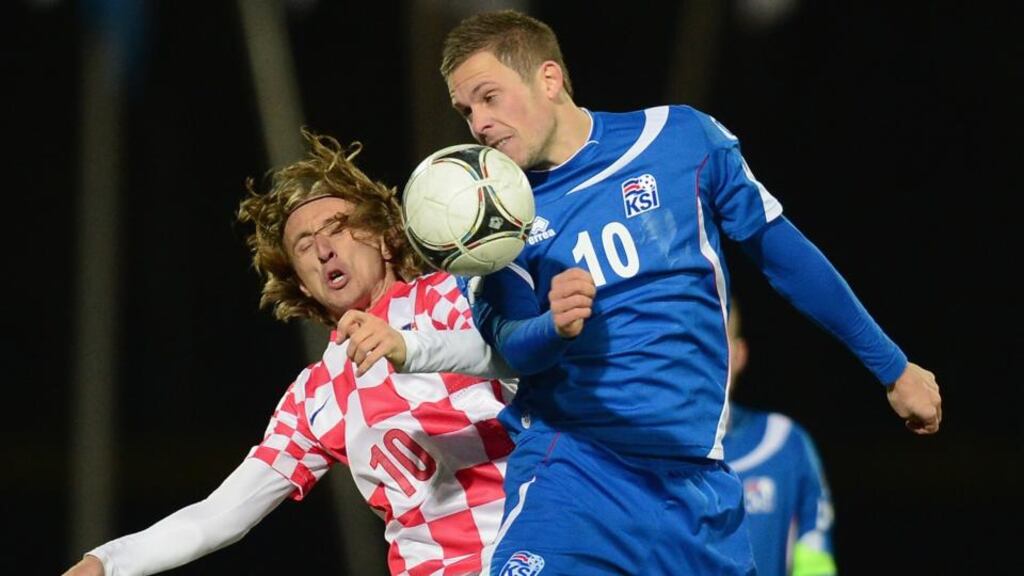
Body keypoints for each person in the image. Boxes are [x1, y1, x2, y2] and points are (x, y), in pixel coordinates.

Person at [403, 9, 943, 575]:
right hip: (576, 479)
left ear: (549, 78)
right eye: (466, 110)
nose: (479, 123)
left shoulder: (681, 140)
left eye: (489, 97)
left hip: (697, 491)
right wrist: (552, 327)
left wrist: (891, 365)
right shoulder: (490, 220)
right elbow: (508, 344)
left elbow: (786, 257)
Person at [62, 131, 516, 576]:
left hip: (536, 546)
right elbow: (223, 513)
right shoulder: (315, 396)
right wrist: (109, 562)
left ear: (383, 239)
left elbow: (529, 360)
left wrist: (413, 348)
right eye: (303, 245)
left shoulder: (454, 295)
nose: (323, 249)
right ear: (301, 283)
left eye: (338, 228)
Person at [723, 299, 837, 576]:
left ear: (739, 355)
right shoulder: (641, 450)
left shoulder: (784, 442)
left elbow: (814, 559)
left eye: (715, 342)